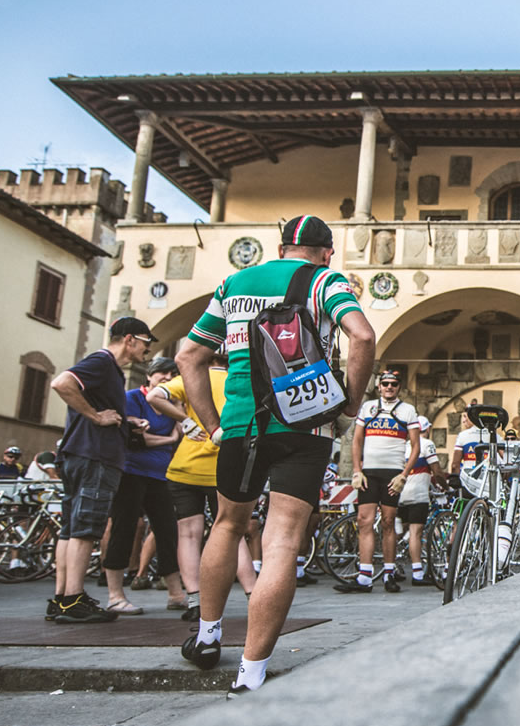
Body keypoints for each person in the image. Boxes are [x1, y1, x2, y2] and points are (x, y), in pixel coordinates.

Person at [177, 214, 374, 697]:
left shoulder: (234, 283)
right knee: (282, 540)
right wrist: (350, 401)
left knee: (226, 524)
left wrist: (213, 424)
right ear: (326, 251)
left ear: (282, 245)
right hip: (306, 422)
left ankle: (207, 635)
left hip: (243, 423)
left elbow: (189, 356)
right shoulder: (326, 280)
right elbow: (363, 336)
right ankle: (251, 672)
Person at [48, 316, 156, 624]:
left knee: (70, 528)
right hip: (94, 455)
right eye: (147, 342)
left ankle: (62, 598)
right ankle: (73, 599)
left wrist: (125, 420)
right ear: (130, 339)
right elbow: (62, 383)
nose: (147, 350)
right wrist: (96, 417)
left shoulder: (109, 370)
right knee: (85, 528)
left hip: (78, 453)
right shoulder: (102, 362)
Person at [148, 352, 256, 620]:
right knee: (234, 533)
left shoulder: (190, 377)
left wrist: (185, 421)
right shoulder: (242, 378)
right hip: (226, 466)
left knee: (188, 534)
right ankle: (253, 595)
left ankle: (195, 600)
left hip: (186, 467)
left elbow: (153, 396)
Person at [102, 358, 187, 615]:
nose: (167, 376)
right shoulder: (132, 398)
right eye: (162, 372)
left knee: (168, 531)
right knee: (124, 529)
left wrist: (162, 435)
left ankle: (176, 593)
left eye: (172, 374)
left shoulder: (172, 403)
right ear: (149, 375)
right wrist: (168, 438)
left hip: (161, 475)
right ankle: (115, 595)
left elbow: (174, 434)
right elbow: (132, 437)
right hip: (131, 472)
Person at [339, 370, 420, 594]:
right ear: (379, 386)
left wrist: (404, 475)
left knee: (388, 521)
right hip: (369, 473)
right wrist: (357, 470)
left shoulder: (407, 410)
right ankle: (364, 576)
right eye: (385, 384)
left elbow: (416, 447)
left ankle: (389, 572)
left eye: (394, 384)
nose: (389, 387)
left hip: (392, 473)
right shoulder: (368, 407)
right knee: (364, 521)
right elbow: (356, 440)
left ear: (399, 387)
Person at [395, 416, 439, 587]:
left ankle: (391, 569)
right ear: (427, 429)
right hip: (418, 495)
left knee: (396, 532)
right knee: (416, 532)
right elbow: (436, 470)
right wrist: (444, 485)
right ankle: (418, 573)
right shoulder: (426, 444)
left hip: (400, 493)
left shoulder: (403, 446)